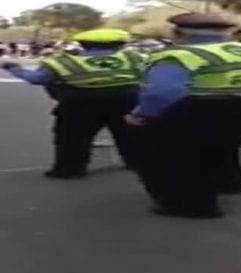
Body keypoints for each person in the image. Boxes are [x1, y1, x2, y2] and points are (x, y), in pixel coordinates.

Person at [125, 12, 241, 218]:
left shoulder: (179, 56)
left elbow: (162, 92)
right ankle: (231, 183)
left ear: (178, 33)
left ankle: (190, 204)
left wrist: (142, 115)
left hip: (200, 110)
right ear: (229, 32)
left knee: (169, 156)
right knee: (224, 146)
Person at [2, 28, 145, 179]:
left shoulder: (63, 62)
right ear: (120, 44)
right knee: (130, 135)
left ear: (82, 44)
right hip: (126, 102)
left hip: (79, 106)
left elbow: (38, 79)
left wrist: (14, 68)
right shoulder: (134, 58)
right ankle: (137, 163)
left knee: (73, 138)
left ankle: (70, 170)